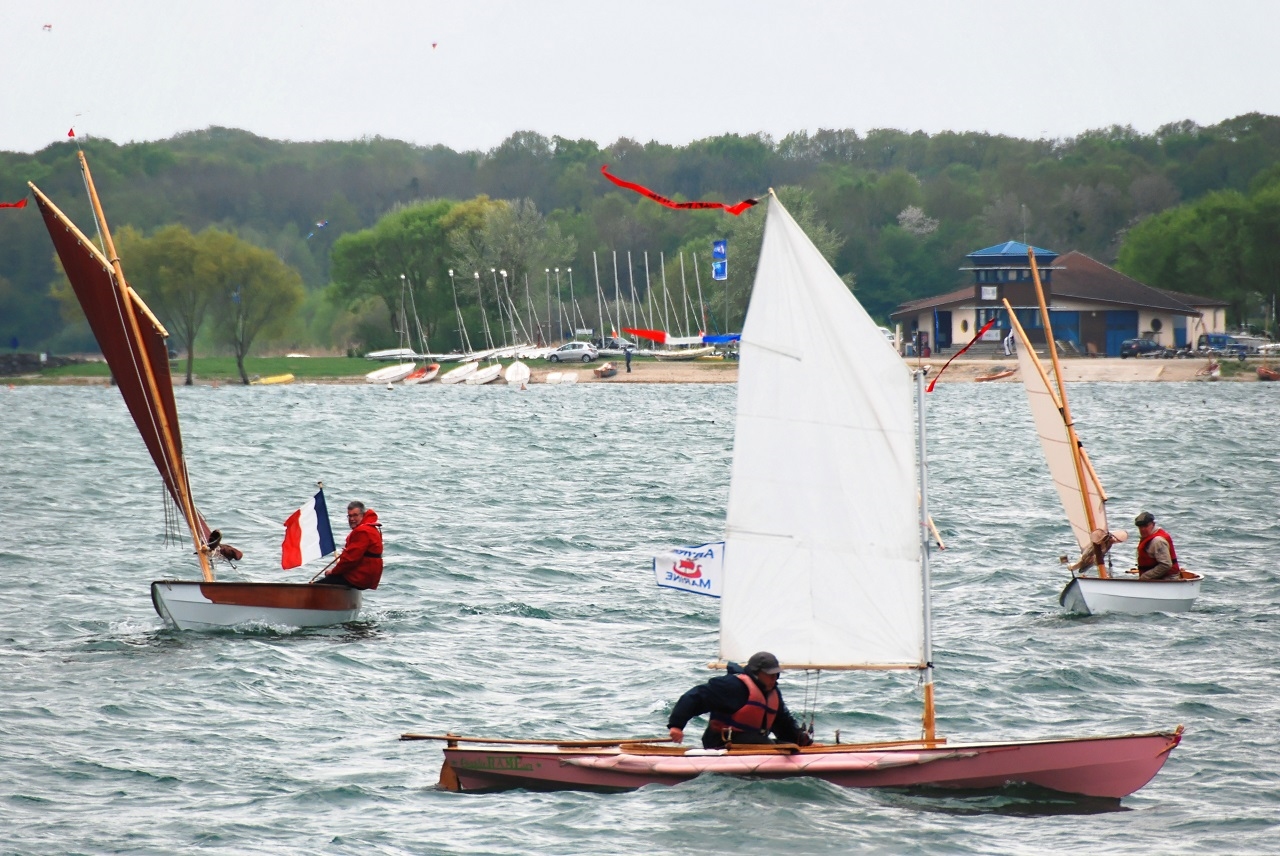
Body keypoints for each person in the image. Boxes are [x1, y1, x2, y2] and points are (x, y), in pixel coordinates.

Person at [667, 651, 813, 749]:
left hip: (753, 742)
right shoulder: (732, 686)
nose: (774, 678)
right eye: (770, 675)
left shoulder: (772, 692)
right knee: (768, 744)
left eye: (776, 674)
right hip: (722, 742)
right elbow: (695, 697)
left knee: (787, 746)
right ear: (756, 673)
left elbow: (783, 723)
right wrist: (676, 726)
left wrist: (802, 742)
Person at [314, 501, 383, 588]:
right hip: (369, 576)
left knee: (316, 586)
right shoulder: (371, 528)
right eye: (350, 516)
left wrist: (334, 572)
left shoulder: (363, 531)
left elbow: (351, 559)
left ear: (363, 515)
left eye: (355, 515)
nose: (352, 519)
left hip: (360, 577)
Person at [1133, 511, 1180, 580]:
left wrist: (1145, 577)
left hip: (1167, 579)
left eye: (1145, 526)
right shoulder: (1148, 537)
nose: (1142, 529)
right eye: (1140, 527)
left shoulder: (1158, 541)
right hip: (1156, 578)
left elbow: (1166, 565)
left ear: (1153, 524)